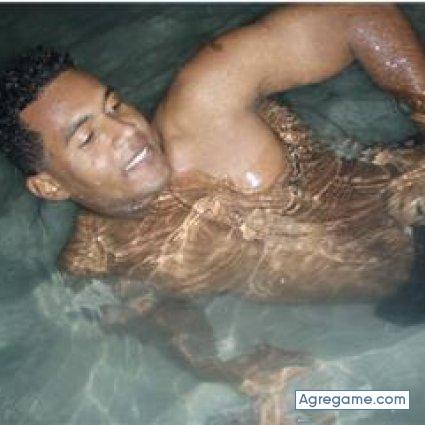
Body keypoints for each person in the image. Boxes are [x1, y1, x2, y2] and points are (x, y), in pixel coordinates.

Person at [1, 5, 425, 423]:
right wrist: (238, 372)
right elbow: (164, 317)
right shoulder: (98, 264)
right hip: (400, 299)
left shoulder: (207, 104)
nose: (126, 130)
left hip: (412, 210)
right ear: (50, 187)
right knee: (357, 402)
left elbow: (356, 12)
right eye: (88, 137)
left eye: (114, 106)